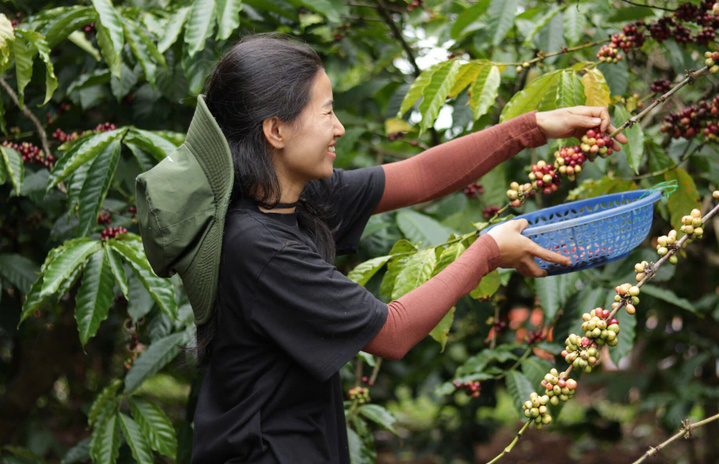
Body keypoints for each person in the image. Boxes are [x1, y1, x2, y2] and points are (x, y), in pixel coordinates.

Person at [135, 33, 627, 464]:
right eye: (326, 112)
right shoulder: (257, 246)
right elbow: (392, 333)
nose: (339, 128)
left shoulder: (294, 197)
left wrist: (533, 126)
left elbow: (418, 177)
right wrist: (486, 253)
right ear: (276, 130)